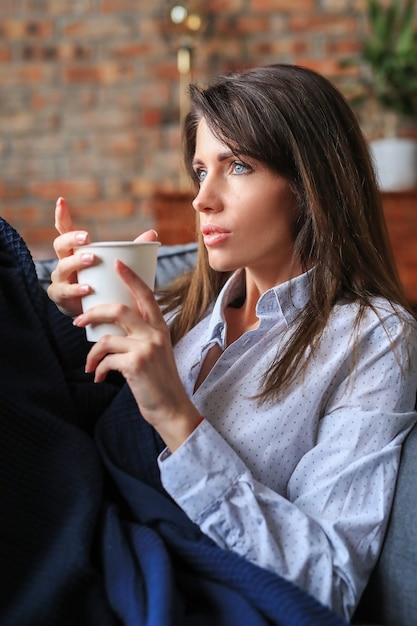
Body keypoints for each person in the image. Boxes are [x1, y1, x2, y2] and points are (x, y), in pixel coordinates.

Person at [47, 64, 417, 621]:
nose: (202, 199)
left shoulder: (373, 337)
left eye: (238, 166)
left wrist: (174, 411)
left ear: (310, 183)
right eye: (200, 171)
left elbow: (331, 581)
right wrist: (67, 327)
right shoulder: (173, 309)